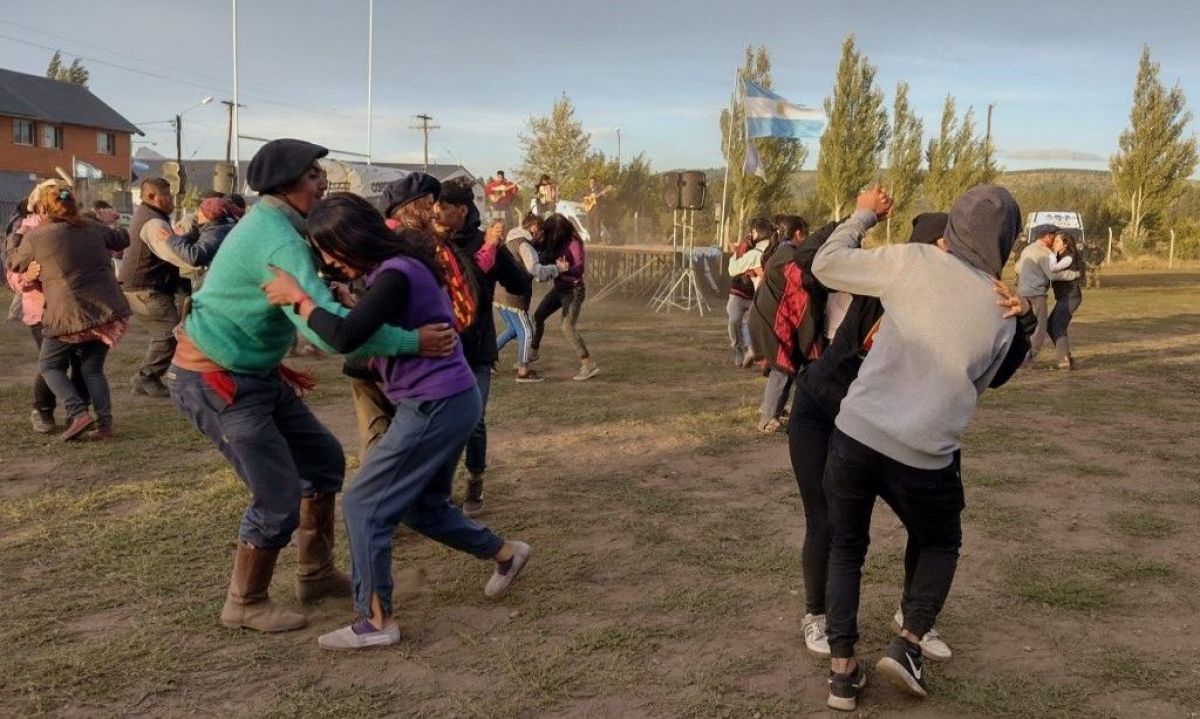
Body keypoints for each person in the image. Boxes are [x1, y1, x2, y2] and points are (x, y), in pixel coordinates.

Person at [166, 138, 457, 633]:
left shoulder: (284, 227)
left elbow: (328, 307)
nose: (323, 182)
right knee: (276, 494)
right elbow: (336, 332)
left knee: (321, 462)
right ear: (286, 185)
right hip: (218, 379)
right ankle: (245, 601)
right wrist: (412, 342)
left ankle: (315, 573)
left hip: (253, 374)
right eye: (314, 175)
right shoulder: (277, 237)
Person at [260, 193, 532, 650]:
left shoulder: (396, 274)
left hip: (435, 404)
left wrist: (300, 300)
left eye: (327, 251)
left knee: (364, 503)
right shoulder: (398, 269)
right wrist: (346, 299)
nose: (325, 262)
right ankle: (506, 554)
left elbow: (346, 337)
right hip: (447, 400)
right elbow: (364, 323)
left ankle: (376, 620)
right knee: (420, 507)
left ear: (348, 241)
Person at [812, 185, 1029, 711]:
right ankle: (909, 643)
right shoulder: (1002, 306)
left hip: (858, 432)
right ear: (1006, 240)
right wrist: (1024, 321)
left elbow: (827, 264)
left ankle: (843, 673)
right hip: (926, 452)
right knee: (939, 542)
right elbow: (985, 383)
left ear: (951, 224)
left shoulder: (912, 262)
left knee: (845, 546)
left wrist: (864, 213)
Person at [789, 213, 969, 664]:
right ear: (929, 249)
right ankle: (818, 615)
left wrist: (1021, 316)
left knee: (926, 526)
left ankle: (914, 619)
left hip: (876, 426)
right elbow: (807, 262)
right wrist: (861, 214)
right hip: (822, 410)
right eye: (950, 249)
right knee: (827, 521)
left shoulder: (952, 306)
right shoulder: (883, 281)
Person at [434, 178, 532, 517]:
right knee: (443, 420)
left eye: (443, 207)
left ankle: (475, 480)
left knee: (472, 419)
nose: (435, 211)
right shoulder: (430, 243)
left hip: (475, 347)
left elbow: (519, 282)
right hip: (438, 347)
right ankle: (440, 491)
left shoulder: (483, 241)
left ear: (462, 210)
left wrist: (503, 256)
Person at [10, 182, 131, 440]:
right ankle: (105, 425)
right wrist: (112, 223)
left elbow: (13, 263)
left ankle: (77, 413)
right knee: (92, 368)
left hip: (70, 314)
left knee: (49, 365)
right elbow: (122, 239)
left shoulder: (35, 237)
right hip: (108, 310)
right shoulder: (93, 227)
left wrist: (14, 237)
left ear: (43, 208)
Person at [5, 192, 93, 433]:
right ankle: (43, 410)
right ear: (40, 207)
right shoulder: (24, 233)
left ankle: (79, 412)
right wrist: (27, 277)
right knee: (53, 362)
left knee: (80, 360)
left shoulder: (79, 228)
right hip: (42, 310)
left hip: (76, 306)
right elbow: (13, 275)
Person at [120, 178, 196, 398]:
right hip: (146, 289)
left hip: (145, 287)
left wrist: (188, 238)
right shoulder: (154, 223)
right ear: (153, 197)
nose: (172, 199)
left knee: (166, 333)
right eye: (168, 195)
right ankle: (146, 378)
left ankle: (147, 377)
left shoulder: (151, 217)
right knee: (170, 333)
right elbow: (173, 254)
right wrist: (197, 255)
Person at [748, 215, 819, 433]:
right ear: (798, 233)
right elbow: (805, 281)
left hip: (773, 319)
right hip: (773, 321)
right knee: (783, 367)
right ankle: (768, 419)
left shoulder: (782, 252)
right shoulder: (788, 256)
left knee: (789, 365)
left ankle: (772, 409)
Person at [495, 216, 569, 383]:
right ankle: (523, 371)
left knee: (513, 330)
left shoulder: (513, 238)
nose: (542, 237)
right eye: (541, 232)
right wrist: (557, 268)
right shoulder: (525, 245)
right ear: (534, 228)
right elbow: (535, 270)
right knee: (527, 332)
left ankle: (487, 360)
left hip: (500, 293)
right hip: (514, 295)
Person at [530, 213, 600, 382]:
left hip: (573, 290)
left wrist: (565, 267)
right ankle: (533, 352)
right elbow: (541, 252)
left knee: (567, 326)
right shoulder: (552, 242)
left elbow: (579, 269)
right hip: (559, 288)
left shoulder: (574, 243)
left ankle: (588, 364)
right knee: (539, 315)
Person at [1016, 224, 1076, 366]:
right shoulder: (1044, 252)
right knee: (1039, 328)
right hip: (1036, 294)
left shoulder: (1027, 249)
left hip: (1023, 292)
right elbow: (1053, 275)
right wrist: (1074, 274)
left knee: (1025, 327)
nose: (1056, 238)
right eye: (1054, 235)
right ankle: (1027, 358)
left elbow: (1018, 268)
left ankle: (1018, 357)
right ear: (1048, 235)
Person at [159, 196, 243, 291]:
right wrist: (191, 232)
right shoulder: (217, 226)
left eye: (200, 211)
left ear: (209, 215)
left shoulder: (216, 232)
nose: (197, 214)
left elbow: (196, 256)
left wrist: (172, 240)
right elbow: (195, 239)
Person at [725, 218, 773, 367]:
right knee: (734, 320)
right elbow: (735, 269)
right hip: (739, 291)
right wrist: (736, 254)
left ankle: (752, 350)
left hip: (758, 294)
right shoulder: (747, 246)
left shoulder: (769, 250)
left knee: (752, 323)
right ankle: (739, 349)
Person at [1047, 231, 1085, 370]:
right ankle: (1068, 358)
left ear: (1066, 244)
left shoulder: (1069, 257)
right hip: (1064, 297)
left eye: (1057, 242)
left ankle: (1063, 362)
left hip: (1071, 297)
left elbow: (1053, 269)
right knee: (1050, 325)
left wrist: (1051, 255)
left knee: (1058, 326)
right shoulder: (1061, 256)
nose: (1054, 244)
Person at [582, 176, 609, 243]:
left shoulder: (599, 190)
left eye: (593, 182)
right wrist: (584, 201)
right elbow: (580, 197)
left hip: (597, 211)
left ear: (596, 183)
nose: (592, 183)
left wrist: (603, 194)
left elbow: (605, 197)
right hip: (589, 210)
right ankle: (592, 240)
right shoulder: (587, 190)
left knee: (597, 225)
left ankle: (597, 241)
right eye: (591, 182)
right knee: (589, 226)